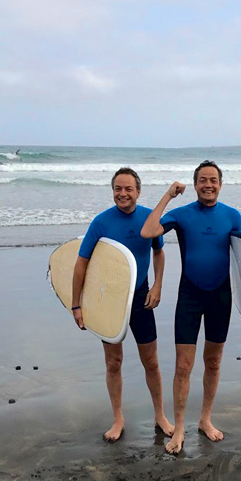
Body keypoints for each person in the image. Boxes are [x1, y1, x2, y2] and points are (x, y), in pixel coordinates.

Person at [141, 160, 241, 454]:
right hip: (190, 296)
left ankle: (206, 420)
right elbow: (148, 231)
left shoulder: (233, 217)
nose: (208, 185)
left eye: (213, 180)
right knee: (183, 366)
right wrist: (168, 195)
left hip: (220, 297)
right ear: (195, 184)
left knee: (213, 362)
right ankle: (179, 428)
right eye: (202, 180)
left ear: (220, 184)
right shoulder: (183, 214)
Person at [72, 167, 174, 443]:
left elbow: (159, 251)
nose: (123, 193)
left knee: (151, 362)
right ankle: (118, 419)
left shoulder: (149, 219)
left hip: (141, 296)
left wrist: (157, 285)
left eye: (128, 188)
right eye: (118, 188)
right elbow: (81, 263)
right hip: (110, 301)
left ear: (138, 191)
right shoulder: (101, 222)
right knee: (113, 362)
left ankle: (160, 416)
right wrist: (76, 304)